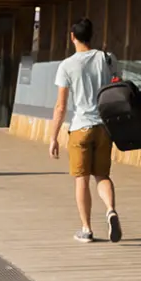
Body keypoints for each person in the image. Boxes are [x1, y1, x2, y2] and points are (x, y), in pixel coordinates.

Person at [46, 17, 122, 243]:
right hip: (104, 127)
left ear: (72, 37)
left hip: (80, 128)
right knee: (102, 176)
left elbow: (61, 105)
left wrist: (53, 137)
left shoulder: (67, 65)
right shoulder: (107, 59)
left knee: (81, 179)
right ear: (92, 35)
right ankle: (110, 210)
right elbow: (118, 86)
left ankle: (86, 229)